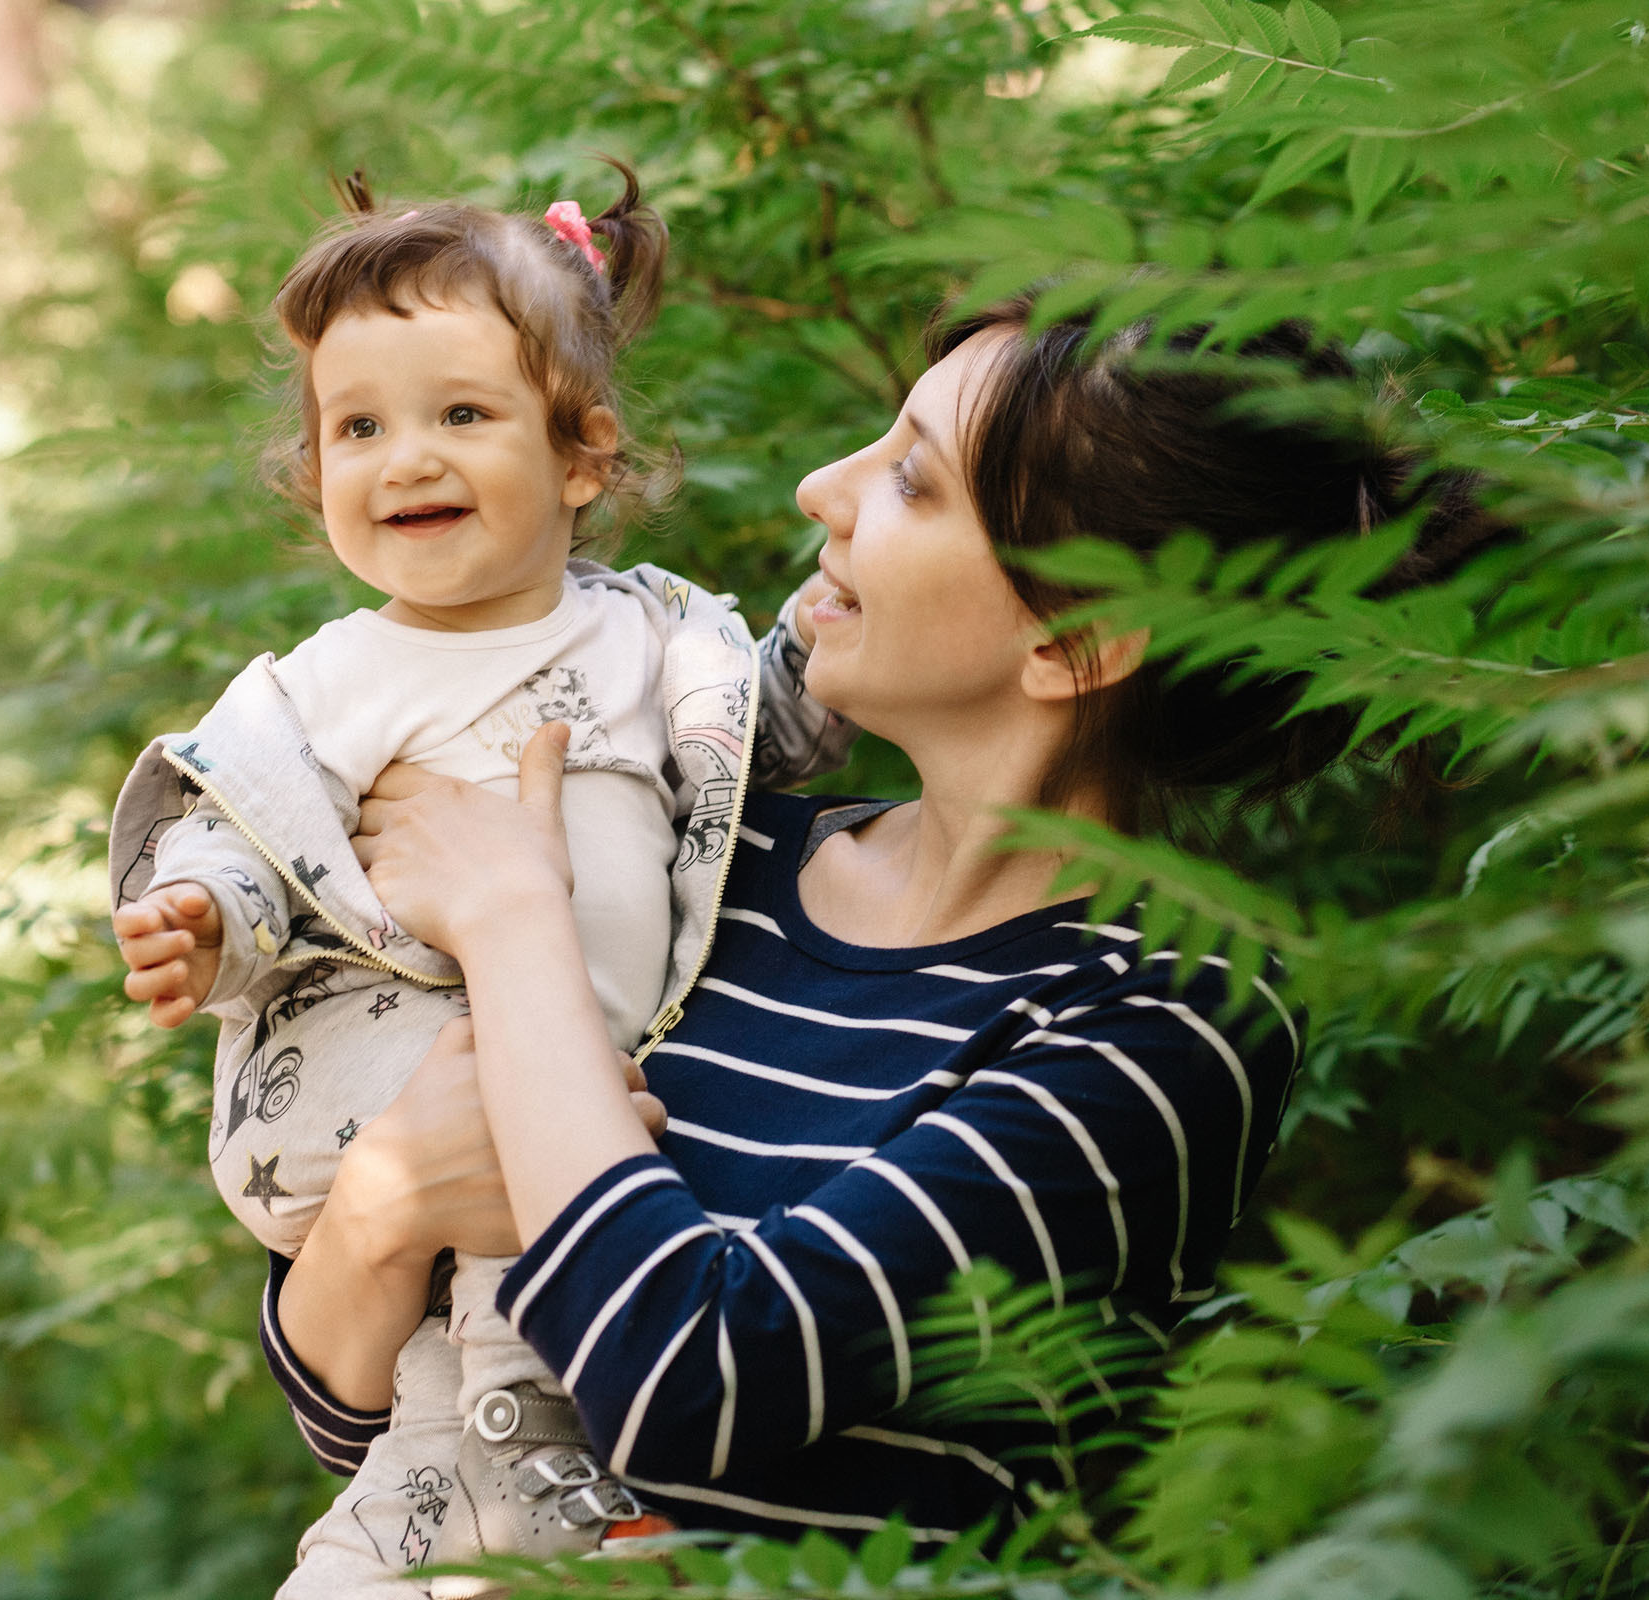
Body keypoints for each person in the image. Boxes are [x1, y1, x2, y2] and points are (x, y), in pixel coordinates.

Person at [272, 303, 1495, 1560]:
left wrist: (515, 923)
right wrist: (379, 1207)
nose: (825, 488)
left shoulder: (1164, 1018)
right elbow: (352, 1412)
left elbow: (695, 1380)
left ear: (1071, 640)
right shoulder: (715, 866)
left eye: (912, 479)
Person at [105, 171, 853, 1595]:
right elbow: (249, 824)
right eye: (360, 427)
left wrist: (829, 621)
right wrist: (205, 920)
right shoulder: (332, 679)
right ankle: (438, 1521)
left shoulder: (651, 640)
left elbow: (774, 733)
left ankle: (474, 1516)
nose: (405, 460)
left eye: (462, 415)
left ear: (582, 458)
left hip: (599, 1082)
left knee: (553, 1303)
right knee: (486, 1297)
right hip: (411, 1070)